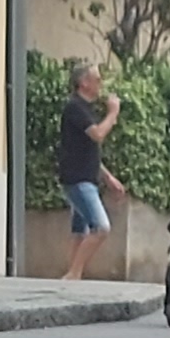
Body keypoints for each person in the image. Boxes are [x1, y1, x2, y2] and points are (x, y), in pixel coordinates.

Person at [56, 60, 125, 280]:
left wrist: (108, 177)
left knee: (80, 232)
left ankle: (72, 277)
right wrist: (113, 113)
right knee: (101, 228)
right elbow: (97, 135)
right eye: (97, 78)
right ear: (84, 83)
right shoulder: (75, 107)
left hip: (85, 177)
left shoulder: (84, 108)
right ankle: (74, 274)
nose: (100, 83)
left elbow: (88, 149)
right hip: (78, 180)